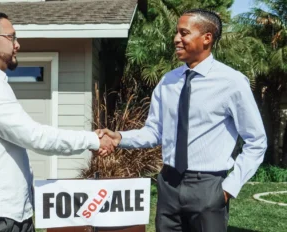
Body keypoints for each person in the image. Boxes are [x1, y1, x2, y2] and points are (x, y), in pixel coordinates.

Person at [97, 9, 267, 232]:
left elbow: (256, 141)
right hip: (168, 185)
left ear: (207, 38)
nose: (176, 39)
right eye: (177, 33)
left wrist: (227, 189)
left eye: (184, 33)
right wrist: (119, 137)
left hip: (208, 187)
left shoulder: (232, 82)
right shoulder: (168, 81)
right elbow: (154, 132)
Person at [0, 11, 114, 232]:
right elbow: (35, 137)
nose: (17, 45)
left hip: (7, 215)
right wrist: (93, 140)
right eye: (12, 38)